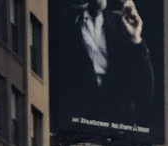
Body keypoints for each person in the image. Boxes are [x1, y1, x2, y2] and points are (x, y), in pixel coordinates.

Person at [54, 1, 155, 134]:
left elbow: (144, 91)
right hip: (76, 125)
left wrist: (136, 39)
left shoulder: (121, 23)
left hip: (118, 127)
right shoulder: (63, 19)